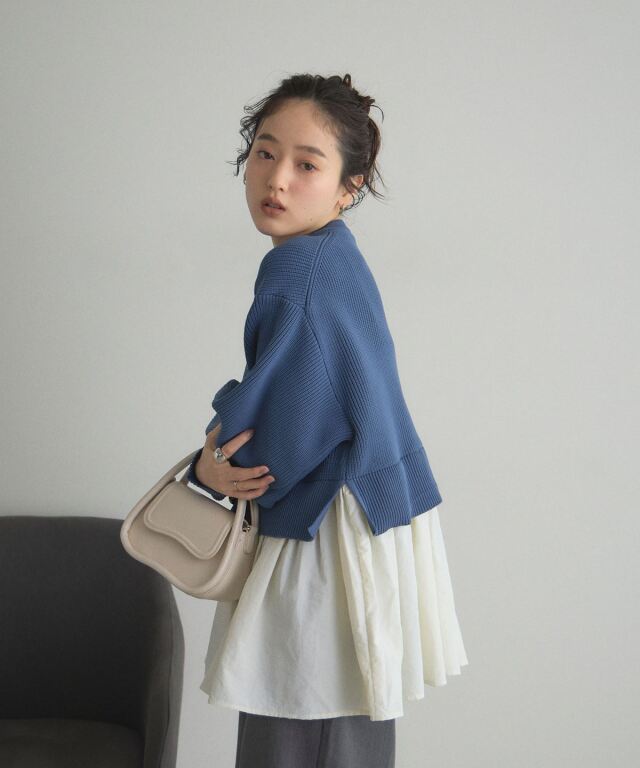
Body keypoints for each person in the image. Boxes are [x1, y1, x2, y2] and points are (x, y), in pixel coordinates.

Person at [187, 72, 469, 768]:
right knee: (345, 729)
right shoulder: (333, 253)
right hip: (368, 511)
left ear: (349, 186)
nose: (276, 179)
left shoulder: (297, 272)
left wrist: (210, 462)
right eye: (264, 152)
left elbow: (274, 438)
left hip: (323, 530)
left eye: (307, 164)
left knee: (296, 727)